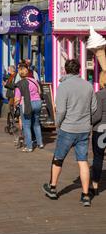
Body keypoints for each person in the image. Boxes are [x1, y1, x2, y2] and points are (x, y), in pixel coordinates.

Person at [42, 59, 97, 207]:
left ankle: (52, 188)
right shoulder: (88, 86)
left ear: (66, 70)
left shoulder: (63, 86)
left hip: (68, 128)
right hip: (84, 129)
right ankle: (85, 195)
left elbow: (60, 110)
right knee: (83, 161)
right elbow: (93, 108)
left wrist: (58, 124)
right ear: (79, 70)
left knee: (58, 158)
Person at [14, 62, 43, 152]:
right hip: (38, 103)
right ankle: (40, 143)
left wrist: (15, 106)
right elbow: (40, 92)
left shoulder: (19, 84)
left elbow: (17, 99)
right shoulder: (34, 80)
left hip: (27, 104)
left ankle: (29, 147)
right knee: (36, 124)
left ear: (19, 74)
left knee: (26, 126)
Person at [90, 71, 106, 197]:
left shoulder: (99, 95)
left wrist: (89, 121)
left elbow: (97, 115)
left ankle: (95, 185)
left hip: (101, 130)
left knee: (98, 157)